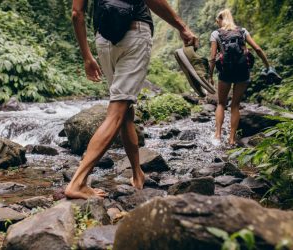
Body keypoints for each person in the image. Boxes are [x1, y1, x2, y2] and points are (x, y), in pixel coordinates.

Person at [65, 0, 198, 199]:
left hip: (104, 39)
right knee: (117, 112)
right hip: (134, 32)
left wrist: (86, 56)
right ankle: (78, 182)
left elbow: (77, 13)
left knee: (125, 111)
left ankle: (137, 174)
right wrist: (182, 27)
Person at [209, 9, 270, 146]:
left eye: (217, 21)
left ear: (220, 19)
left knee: (221, 103)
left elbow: (212, 58)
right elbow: (258, 49)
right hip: (243, 72)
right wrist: (268, 66)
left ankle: (217, 136)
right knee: (235, 105)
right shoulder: (242, 31)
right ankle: (231, 139)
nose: (217, 23)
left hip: (225, 72)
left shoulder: (216, 34)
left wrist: (210, 75)